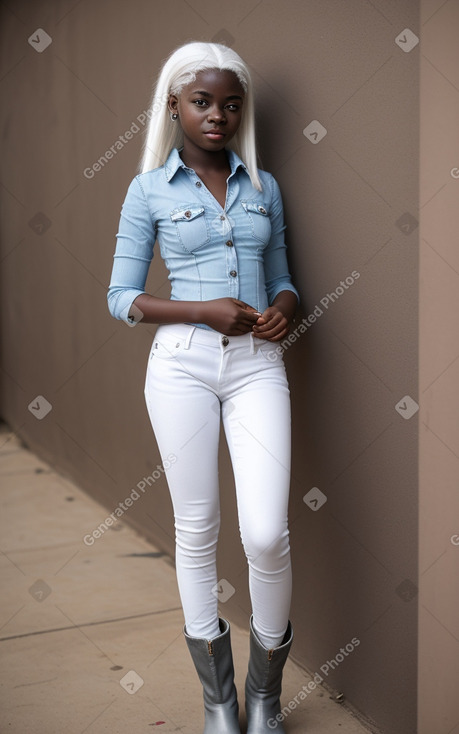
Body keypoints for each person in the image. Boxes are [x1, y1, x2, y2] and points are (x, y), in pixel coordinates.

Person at [107, 40, 299, 734]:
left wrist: (283, 306)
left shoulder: (264, 186)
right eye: (201, 102)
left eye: (228, 104)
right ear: (173, 106)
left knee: (267, 533)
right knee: (197, 530)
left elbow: (283, 276)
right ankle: (219, 703)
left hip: (255, 366)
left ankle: (263, 699)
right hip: (180, 365)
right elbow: (120, 296)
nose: (216, 115)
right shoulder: (147, 189)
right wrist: (199, 308)